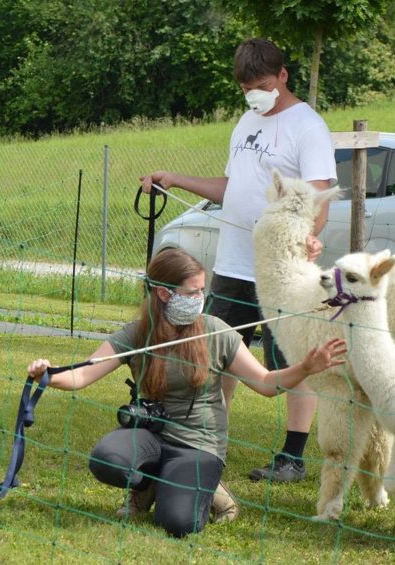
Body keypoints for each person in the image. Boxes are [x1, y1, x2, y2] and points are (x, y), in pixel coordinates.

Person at [27, 248, 346, 537]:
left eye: (202, 291)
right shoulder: (139, 332)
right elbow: (83, 373)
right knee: (106, 461)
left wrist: (305, 367)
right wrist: (48, 374)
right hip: (151, 435)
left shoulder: (216, 331)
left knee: (178, 523)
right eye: (192, 292)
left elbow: (265, 383)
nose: (200, 298)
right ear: (164, 294)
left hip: (199, 445)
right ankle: (149, 486)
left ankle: (214, 493)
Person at [140, 38, 337, 484]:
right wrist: (176, 179)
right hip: (232, 265)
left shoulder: (308, 127)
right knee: (214, 355)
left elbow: (318, 197)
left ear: (283, 76)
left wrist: (309, 237)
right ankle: (204, 444)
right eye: (247, 88)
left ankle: (292, 457)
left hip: (281, 271)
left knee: (293, 357)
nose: (255, 95)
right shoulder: (246, 122)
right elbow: (232, 187)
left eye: (263, 86)